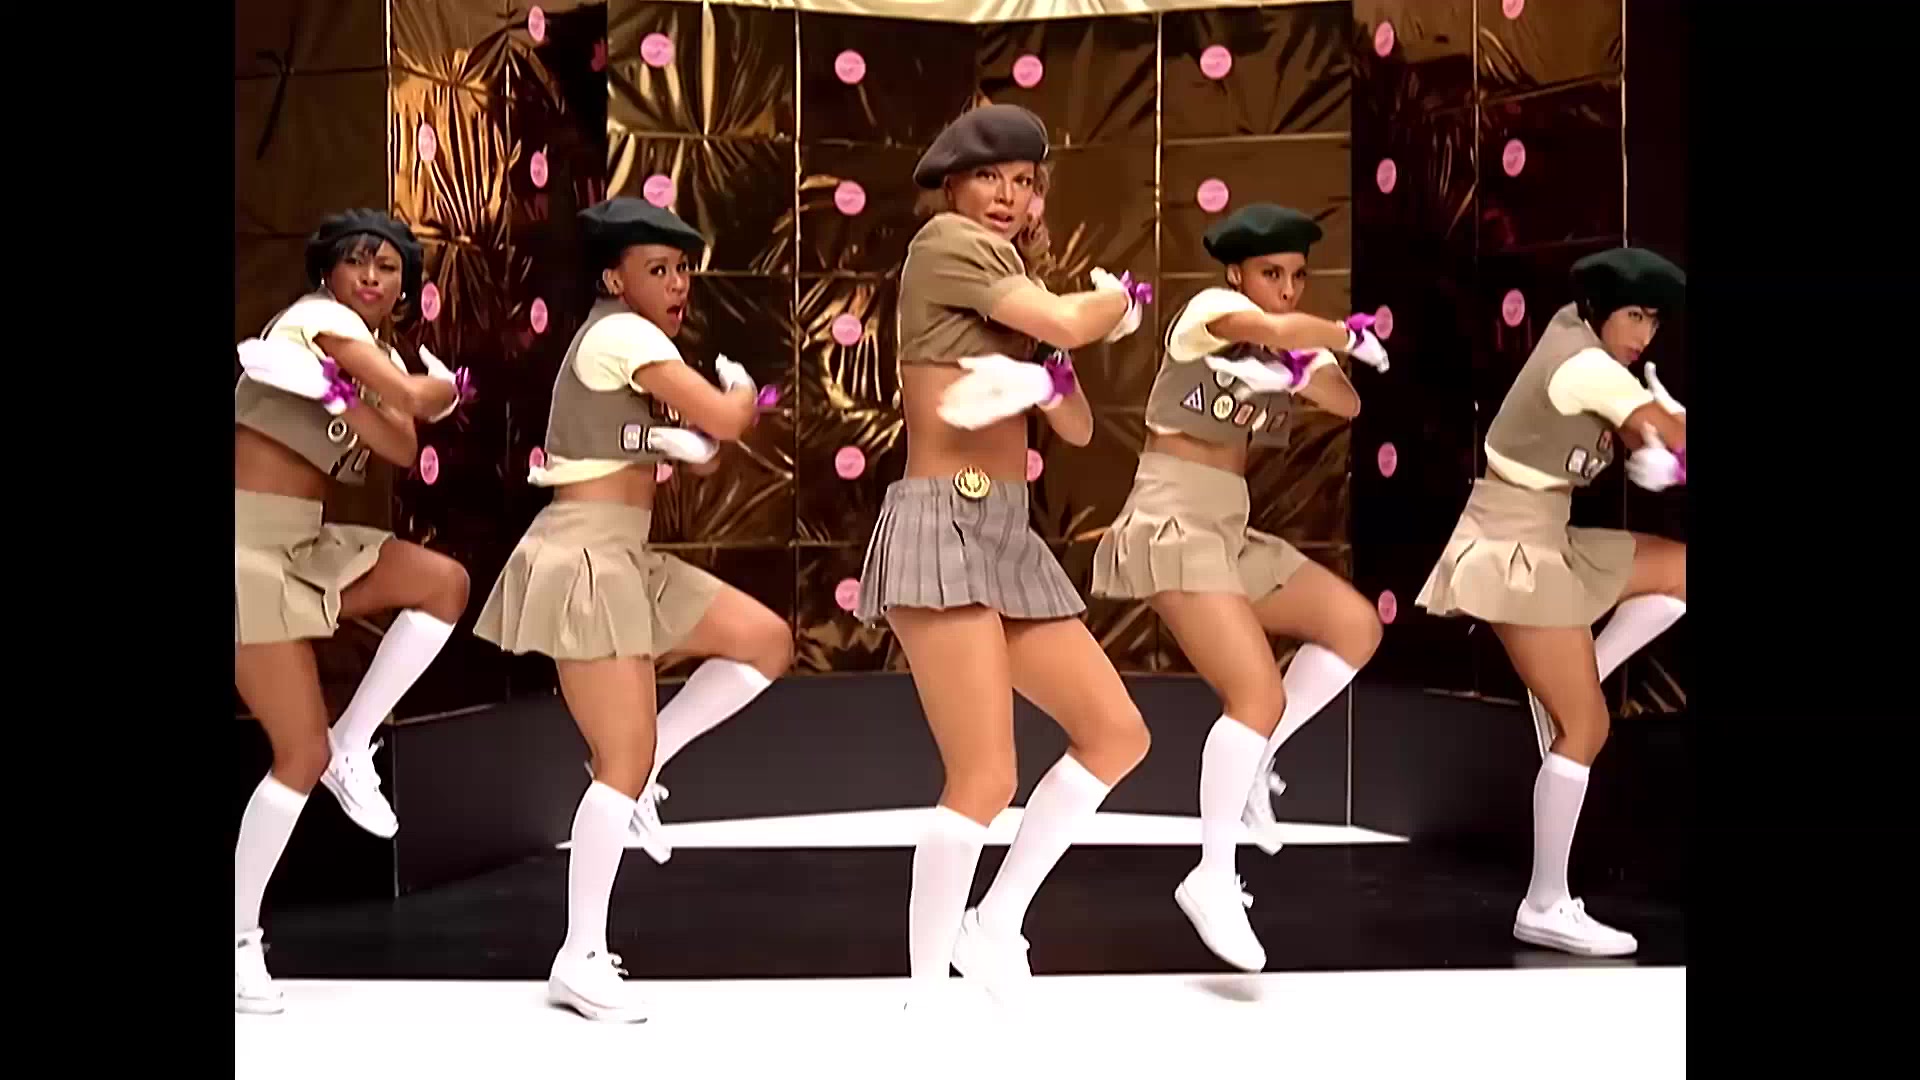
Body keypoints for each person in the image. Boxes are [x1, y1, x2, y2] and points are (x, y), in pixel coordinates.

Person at [852, 102, 1154, 1006]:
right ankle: (923, 992)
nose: (1008, 196)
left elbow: (1078, 422)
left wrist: (1042, 379)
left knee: (1117, 733)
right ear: (953, 184)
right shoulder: (947, 244)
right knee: (985, 775)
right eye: (991, 176)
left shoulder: (1008, 273)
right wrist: (1116, 304)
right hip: (942, 525)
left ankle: (994, 923)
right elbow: (1071, 322)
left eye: (1024, 181)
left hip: (1004, 531)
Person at [473, 197, 792, 1022]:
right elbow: (728, 419)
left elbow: (682, 450)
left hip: (624, 553)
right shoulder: (623, 335)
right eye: (659, 269)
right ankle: (580, 955)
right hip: (585, 557)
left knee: (764, 642)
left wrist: (670, 441)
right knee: (618, 758)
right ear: (615, 279)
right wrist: (736, 390)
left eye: (683, 269)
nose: (678, 283)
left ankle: (648, 770)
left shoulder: (625, 345)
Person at [1088, 203, 1390, 972]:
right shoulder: (1208, 312)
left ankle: (1259, 761)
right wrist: (1333, 335)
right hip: (1173, 516)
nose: (1285, 289)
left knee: (1356, 627)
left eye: (1296, 276)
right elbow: (1273, 329)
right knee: (1256, 694)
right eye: (1271, 273)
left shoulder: (1279, 342)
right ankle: (1212, 876)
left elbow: (1348, 402)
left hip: (1229, 525)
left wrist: (1300, 363)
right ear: (1236, 273)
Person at [1416, 247, 1688, 957]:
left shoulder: (1583, 339)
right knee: (1586, 728)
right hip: (1512, 548)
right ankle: (1545, 904)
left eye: (1655, 321)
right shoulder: (1585, 363)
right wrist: (1670, 436)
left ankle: (1578, 674)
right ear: (1600, 309)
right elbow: (1666, 431)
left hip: (1547, 535)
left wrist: (1657, 438)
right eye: (1635, 316)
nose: (1645, 335)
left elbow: (1642, 427)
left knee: (1681, 573)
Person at [233, 209, 472, 1013]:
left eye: (388, 266)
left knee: (442, 583)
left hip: (304, 544)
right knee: (292, 755)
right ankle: (239, 939)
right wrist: (432, 389)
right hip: (248, 550)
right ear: (327, 273)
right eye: (356, 261)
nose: (371, 276)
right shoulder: (317, 321)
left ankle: (352, 742)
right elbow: (412, 402)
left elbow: (402, 445)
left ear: (405, 286)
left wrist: (349, 393)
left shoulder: (359, 353)